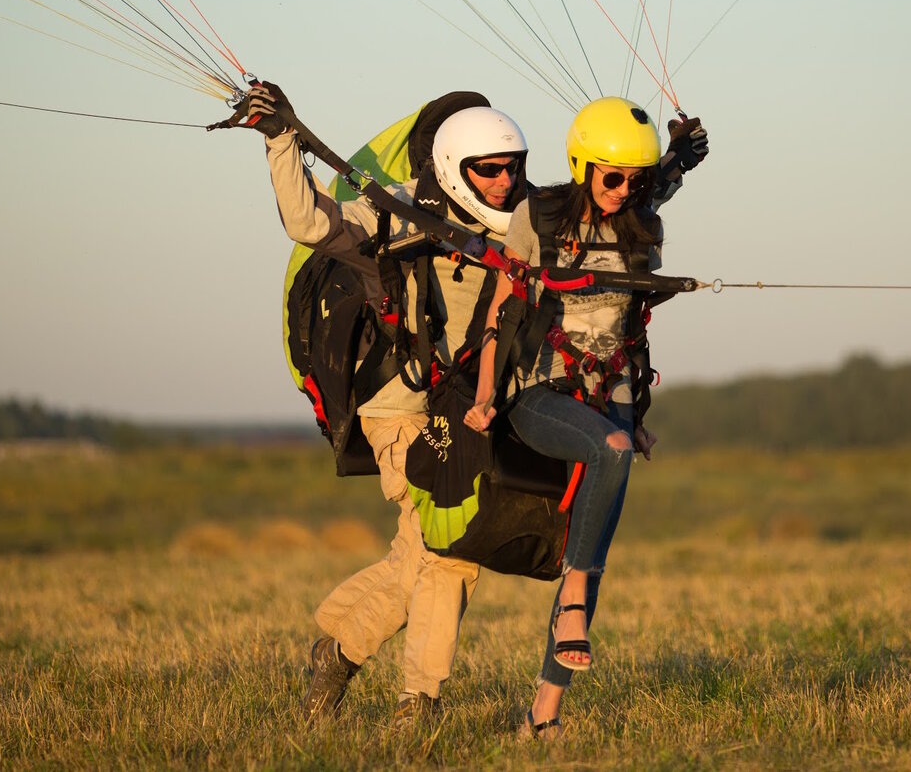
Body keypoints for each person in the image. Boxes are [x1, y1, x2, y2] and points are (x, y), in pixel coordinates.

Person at [246, 82, 529, 725]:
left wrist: (669, 166)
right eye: (489, 169)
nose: (504, 180)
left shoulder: (529, 220)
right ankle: (419, 701)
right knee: (447, 548)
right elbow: (308, 222)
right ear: (456, 165)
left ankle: (337, 651)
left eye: (513, 166)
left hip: (467, 405)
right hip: (399, 402)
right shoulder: (396, 212)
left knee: (417, 556)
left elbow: (604, 219)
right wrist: (280, 142)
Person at [463, 95, 705, 739]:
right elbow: (498, 309)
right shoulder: (536, 219)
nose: (625, 191)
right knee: (612, 455)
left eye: (638, 179)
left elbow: (664, 180)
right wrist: (485, 396)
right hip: (542, 390)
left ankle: (544, 716)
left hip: (614, 395)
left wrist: (680, 150)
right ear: (582, 165)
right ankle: (572, 591)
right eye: (613, 177)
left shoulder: (642, 216)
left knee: (592, 539)